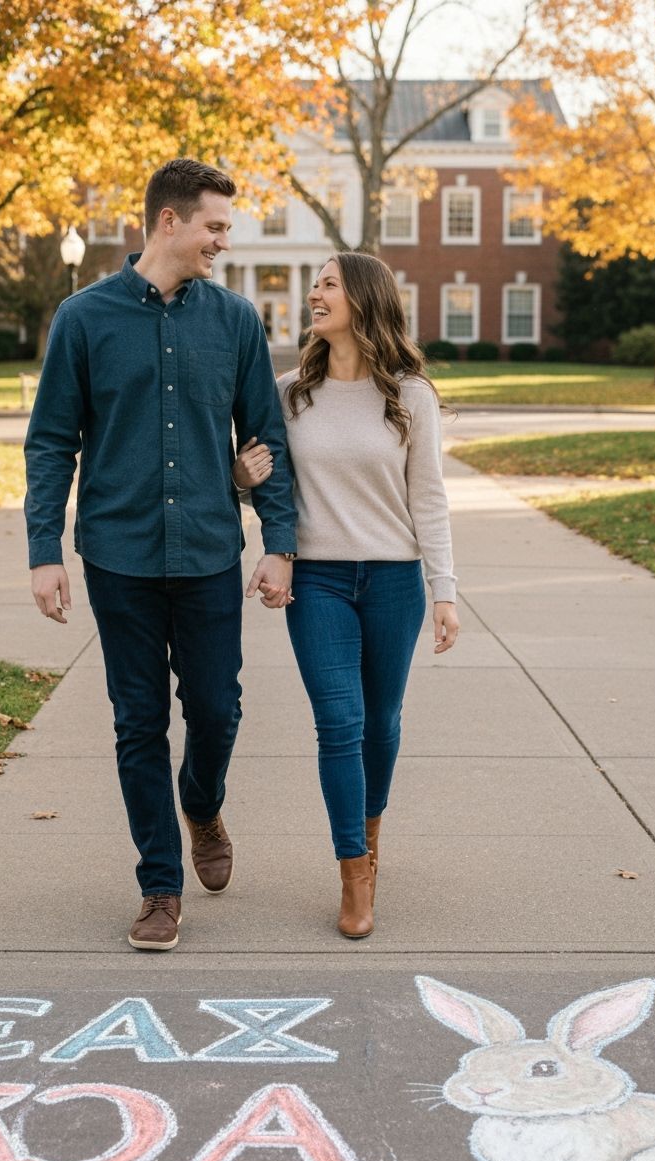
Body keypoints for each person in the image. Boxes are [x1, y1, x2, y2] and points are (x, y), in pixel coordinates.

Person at [24, 158, 297, 952]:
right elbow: (51, 443)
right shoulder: (83, 318)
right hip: (120, 554)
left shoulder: (236, 321)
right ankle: (159, 885)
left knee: (217, 709)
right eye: (214, 226)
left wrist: (278, 542)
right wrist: (46, 550)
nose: (223, 240)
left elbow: (264, 441)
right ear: (169, 222)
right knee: (137, 720)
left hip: (210, 549)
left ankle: (201, 800)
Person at [233, 252, 459, 940]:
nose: (314, 294)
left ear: (363, 298)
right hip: (320, 580)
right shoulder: (287, 391)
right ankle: (354, 873)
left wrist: (443, 590)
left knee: (381, 723)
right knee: (340, 721)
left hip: (393, 579)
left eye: (329, 283)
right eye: (317, 283)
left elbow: (429, 497)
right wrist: (240, 478)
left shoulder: (410, 394)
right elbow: (264, 487)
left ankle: (370, 834)